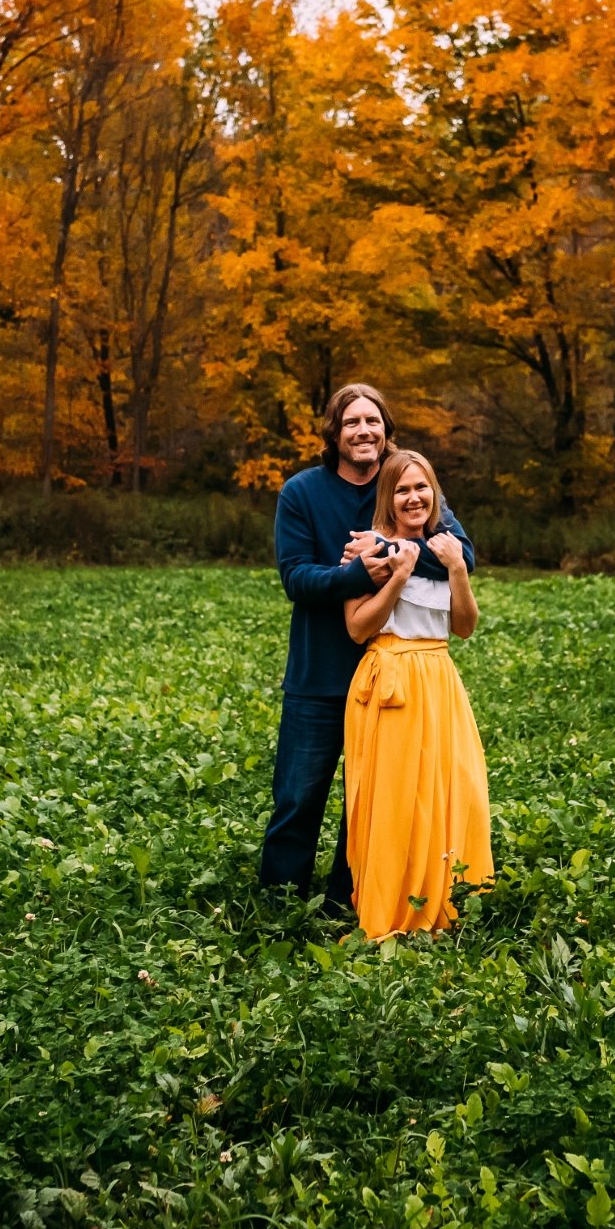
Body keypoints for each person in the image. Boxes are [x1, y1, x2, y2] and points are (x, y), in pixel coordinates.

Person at [264, 384, 475, 915]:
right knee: (298, 799)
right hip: (320, 674)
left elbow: (461, 555)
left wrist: (389, 550)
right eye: (352, 422)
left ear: (387, 431)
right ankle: (277, 907)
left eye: (373, 421)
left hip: (390, 682)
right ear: (333, 434)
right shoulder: (302, 492)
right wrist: (357, 572)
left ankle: (346, 903)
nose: (364, 431)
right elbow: (296, 578)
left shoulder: (404, 482)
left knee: (371, 804)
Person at [340, 449, 493, 937]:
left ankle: (445, 903)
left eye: (421, 488)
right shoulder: (368, 552)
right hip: (391, 683)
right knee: (397, 798)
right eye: (402, 490)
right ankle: (390, 910)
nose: (413, 498)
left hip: (440, 681)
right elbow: (358, 628)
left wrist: (459, 573)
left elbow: (465, 627)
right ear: (388, 496)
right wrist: (398, 576)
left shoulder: (447, 550)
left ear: (435, 494)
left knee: (451, 790)